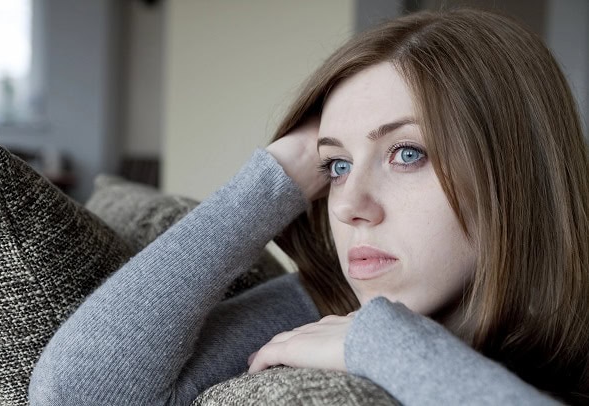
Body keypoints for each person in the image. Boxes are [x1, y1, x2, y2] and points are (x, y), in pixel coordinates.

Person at [29, 8, 588, 405]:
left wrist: (381, 344)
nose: (349, 206)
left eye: (408, 153)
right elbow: (75, 394)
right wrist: (278, 176)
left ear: (518, 173)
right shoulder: (325, 304)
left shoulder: (362, 327)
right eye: (338, 168)